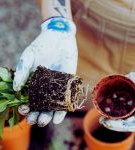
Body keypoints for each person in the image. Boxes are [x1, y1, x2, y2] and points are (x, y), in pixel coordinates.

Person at [13, 0, 135, 132]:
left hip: (130, 48)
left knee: (120, 87)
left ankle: (85, 116)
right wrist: (58, 25)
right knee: (71, 73)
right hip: (84, 18)